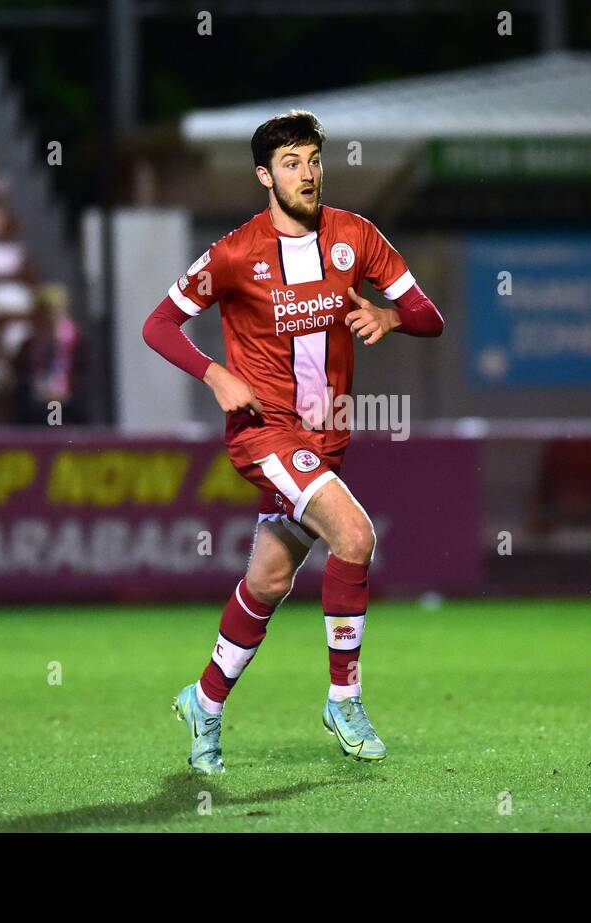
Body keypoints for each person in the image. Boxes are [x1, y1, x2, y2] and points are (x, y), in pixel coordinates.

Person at [143, 110, 444, 773]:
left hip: (324, 437)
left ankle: (205, 699)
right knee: (355, 536)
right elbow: (159, 324)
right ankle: (345, 698)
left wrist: (392, 316)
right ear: (263, 175)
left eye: (312, 159)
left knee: (269, 580)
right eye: (290, 163)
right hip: (263, 432)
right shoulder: (233, 253)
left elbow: (430, 315)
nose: (306, 174)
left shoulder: (355, 236)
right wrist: (216, 372)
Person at [13, 283, 83, 424]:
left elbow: (85, 378)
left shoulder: (78, 343)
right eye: (45, 311)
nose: (50, 316)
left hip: (69, 406)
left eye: (55, 310)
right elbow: (21, 379)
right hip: (36, 407)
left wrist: (63, 392)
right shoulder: (27, 347)